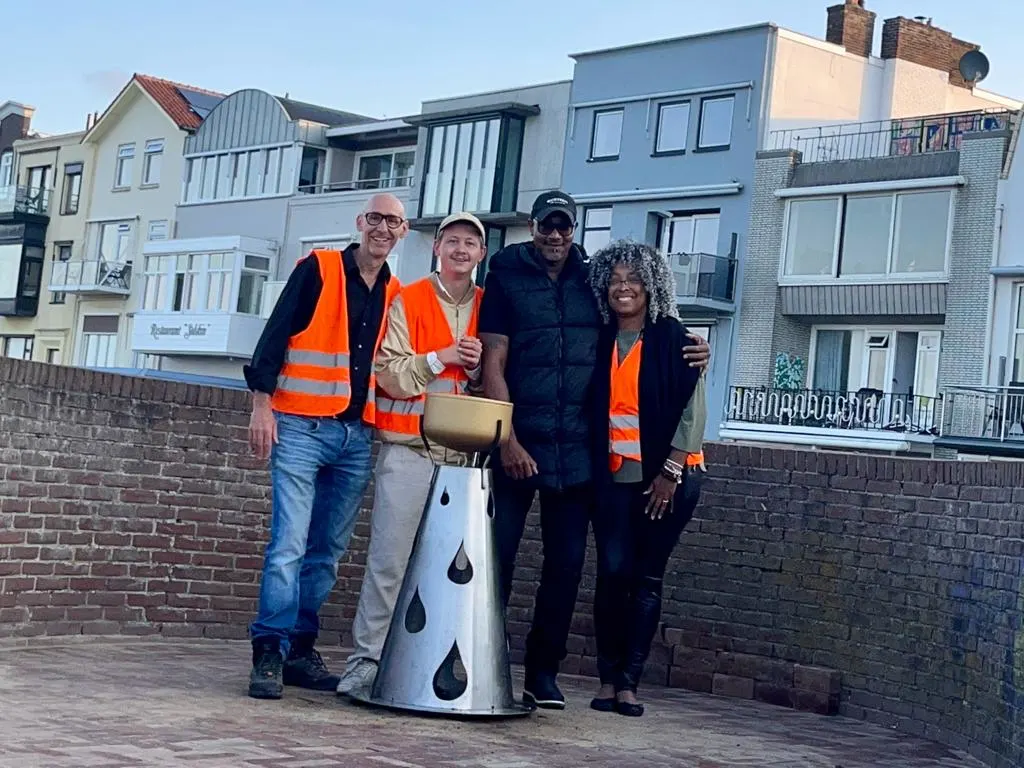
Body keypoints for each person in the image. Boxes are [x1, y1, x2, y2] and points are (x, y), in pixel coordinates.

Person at [477, 191, 711, 710]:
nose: (555, 235)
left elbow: (657, 351)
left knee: (566, 569)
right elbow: (494, 358)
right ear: (532, 226)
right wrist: (507, 437)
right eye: (546, 225)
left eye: (565, 226)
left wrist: (696, 350)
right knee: (499, 560)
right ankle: (481, 662)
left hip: (582, 457)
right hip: (521, 445)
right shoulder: (505, 274)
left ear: (575, 229)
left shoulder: (592, 279)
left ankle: (544, 673)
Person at [242, 193, 408, 700]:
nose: (383, 228)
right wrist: (261, 405)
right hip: (299, 427)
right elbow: (275, 335)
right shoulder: (318, 268)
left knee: (327, 554)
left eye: (394, 222)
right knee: (288, 546)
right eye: (375, 218)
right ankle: (269, 651)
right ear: (361, 222)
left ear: (403, 232)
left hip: (356, 436)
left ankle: (299, 650)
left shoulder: (396, 292)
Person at [336, 212, 487, 697]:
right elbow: (389, 375)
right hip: (409, 451)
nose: (461, 250)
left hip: (464, 461)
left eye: (471, 243)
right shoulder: (410, 299)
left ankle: (433, 674)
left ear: (481, 254)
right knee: (389, 565)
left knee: (454, 573)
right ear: (437, 248)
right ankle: (365, 667)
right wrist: (441, 357)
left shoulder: (491, 306)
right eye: (453, 241)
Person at [586, 240, 706, 718]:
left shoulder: (677, 339)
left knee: (647, 578)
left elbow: (694, 411)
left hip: (669, 477)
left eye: (633, 279)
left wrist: (671, 472)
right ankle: (607, 677)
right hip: (612, 477)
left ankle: (631, 683)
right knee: (612, 573)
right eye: (614, 280)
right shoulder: (596, 339)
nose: (623, 287)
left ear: (651, 284)